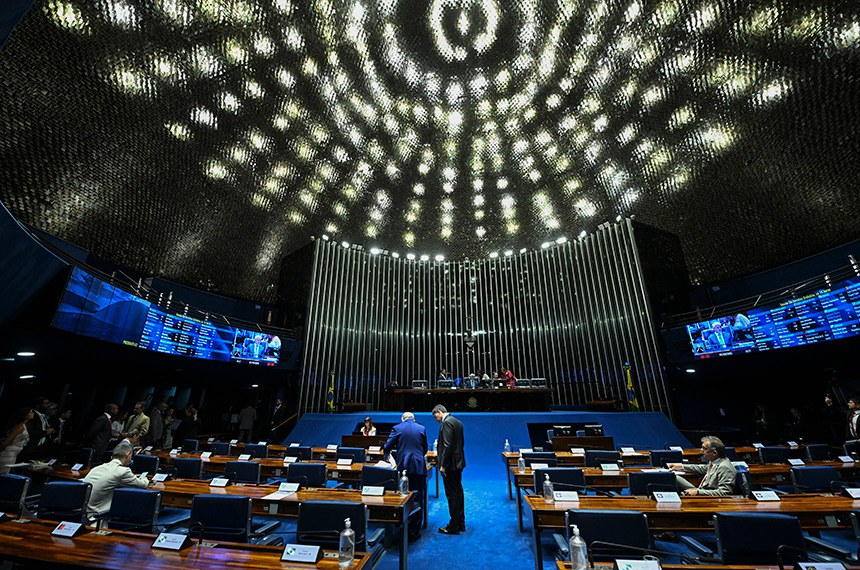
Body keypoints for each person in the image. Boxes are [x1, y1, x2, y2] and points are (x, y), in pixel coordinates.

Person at [383, 411, 427, 540]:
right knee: (418, 496)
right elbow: (424, 449)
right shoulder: (421, 428)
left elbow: (387, 446)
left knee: (402, 495)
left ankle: (401, 525)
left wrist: (388, 458)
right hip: (418, 466)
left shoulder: (397, 428)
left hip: (404, 467)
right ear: (414, 419)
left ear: (402, 419)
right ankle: (415, 530)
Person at [82, 441, 149, 516]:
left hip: (84, 512)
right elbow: (143, 485)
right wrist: (144, 478)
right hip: (99, 515)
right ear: (128, 455)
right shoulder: (123, 471)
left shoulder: (96, 468)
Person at [432, 404, 466, 534]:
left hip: (450, 466)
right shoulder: (457, 422)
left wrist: (443, 465)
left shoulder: (446, 423)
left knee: (452, 495)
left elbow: (447, 446)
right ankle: (461, 523)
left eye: (436, 417)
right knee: (458, 492)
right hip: (458, 463)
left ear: (439, 412)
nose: (437, 420)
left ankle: (453, 526)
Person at [668, 435, 736, 496]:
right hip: (701, 490)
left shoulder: (724, 467)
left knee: (682, 494)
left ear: (714, 453)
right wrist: (681, 466)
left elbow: (725, 492)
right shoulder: (714, 461)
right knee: (673, 477)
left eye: (704, 448)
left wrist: (698, 492)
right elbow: (702, 468)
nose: (701, 450)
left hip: (708, 497)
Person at [0, 408, 33, 474]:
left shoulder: (23, 426)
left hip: (12, 456)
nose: (33, 413)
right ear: (24, 414)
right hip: (6, 455)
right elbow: (5, 443)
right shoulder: (19, 427)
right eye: (30, 412)